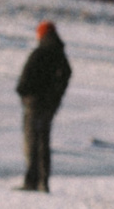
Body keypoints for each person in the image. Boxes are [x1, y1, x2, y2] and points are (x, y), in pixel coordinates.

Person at [15, 21, 72, 192]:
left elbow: (26, 77)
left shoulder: (40, 52)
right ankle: (43, 181)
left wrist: (24, 92)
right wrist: (56, 97)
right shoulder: (59, 53)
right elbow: (66, 75)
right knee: (43, 142)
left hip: (35, 104)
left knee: (32, 142)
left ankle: (31, 181)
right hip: (49, 106)